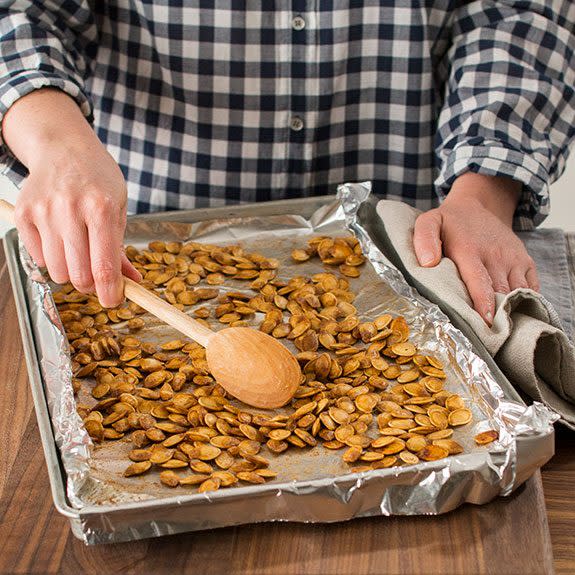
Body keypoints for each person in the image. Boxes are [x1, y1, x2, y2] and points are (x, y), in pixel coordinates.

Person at [0, 2, 573, 324]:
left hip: (418, 243)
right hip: (138, 247)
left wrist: (483, 193)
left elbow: (517, 16)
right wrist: (56, 141)